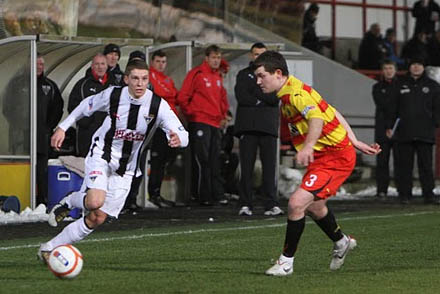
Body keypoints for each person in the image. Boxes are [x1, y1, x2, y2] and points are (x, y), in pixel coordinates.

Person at [37, 60, 188, 262]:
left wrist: (179, 139)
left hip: (126, 169)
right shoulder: (113, 95)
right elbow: (85, 105)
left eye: (144, 79)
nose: (139, 84)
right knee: (94, 202)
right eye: (135, 78)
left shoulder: (157, 105)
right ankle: (74, 199)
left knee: (97, 217)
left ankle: (49, 247)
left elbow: (182, 133)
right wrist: (63, 128)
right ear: (126, 79)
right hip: (102, 155)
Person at [253, 51, 380, 276]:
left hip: (335, 158)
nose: (258, 81)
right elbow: (331, 111)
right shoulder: (291, 91)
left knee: (295, 203)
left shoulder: (295, 95)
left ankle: (286, 263)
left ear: (278, 73)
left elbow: (317, 118)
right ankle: (341, 242)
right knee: (314, 206)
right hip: (326, 157)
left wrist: (310, 146)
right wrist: (355, 140)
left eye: (262, 76)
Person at [123, 50, 179, 211]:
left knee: (155, 162)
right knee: (130, 164)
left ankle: (147, 195)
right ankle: (125, 200)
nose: (161, 65)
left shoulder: (166, 80)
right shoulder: (146, 79)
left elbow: (173, 98)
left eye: (163, 62)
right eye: (158, 61)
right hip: (138, 128)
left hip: (160, 127)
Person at [177, 45, 230, 206]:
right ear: (206, 58)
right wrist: (192, 114)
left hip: (214, 123)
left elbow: (222, 99)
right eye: (213, 57)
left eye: (218, 57)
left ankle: (216, 194)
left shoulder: (218, 76)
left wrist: (223, 115)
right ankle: (201, 195)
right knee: (202, 160)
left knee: (215, 159)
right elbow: (183, 97)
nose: (216, 60)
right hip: (200, 121)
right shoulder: (197, 73)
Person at [234, 42, 282, 216]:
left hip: (268, 127)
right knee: (246, 168)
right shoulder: (243, 74)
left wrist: (255, 95)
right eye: (255, 54)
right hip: (247, 127)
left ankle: (271, 204)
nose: (258, 57)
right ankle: (245, 204)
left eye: (262, 54)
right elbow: (242, 96)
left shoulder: (275, 75)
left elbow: (275, 98)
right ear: (250, 56)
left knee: (270, 168)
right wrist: (263, 98)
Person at [387, 57, 440, 204]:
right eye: (413, 65)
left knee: (426, 166)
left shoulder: (433, 86)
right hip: (404, 132)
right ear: (409, 67)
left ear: (424, 67)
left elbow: (437, 108)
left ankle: (428, 194)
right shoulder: (399, 85)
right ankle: (405, 195)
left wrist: (435, 123)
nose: (416, 67)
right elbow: (393, 108)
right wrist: (390, 126)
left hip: (425, 133)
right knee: (404, 166)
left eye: (419, 65)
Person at [68, 53, 112, 157]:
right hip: (87, 135)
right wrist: (86, 123)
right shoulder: (82, 84)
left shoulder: (114, 84)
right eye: (97, 64)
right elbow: (72, 107)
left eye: (102, 64)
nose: (100, 67)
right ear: (92, 66)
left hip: (108, 135)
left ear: (107, 66)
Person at [36, 53, 64, 206]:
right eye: (36, 64)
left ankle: (42, 199)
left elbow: (58, 107)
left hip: (42, 136)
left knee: (42, 168)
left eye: (41, 64)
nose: (39, 67)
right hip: (22, 135)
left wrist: (48, 127)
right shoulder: (18, 83)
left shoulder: (50, 86)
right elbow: (8, 107)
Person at [372, 60, 399, 199]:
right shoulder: (377, 87)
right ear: (383, 71)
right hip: (382, 129)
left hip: (399, 129)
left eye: (391, 68)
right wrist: (388, 127)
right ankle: (382, 190)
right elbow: (384, 106)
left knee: (401, 161)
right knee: (382, 161)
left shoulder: (401, 86)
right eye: (386, 68)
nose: (388, 71)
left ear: (395, 70)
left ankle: (403, 190)